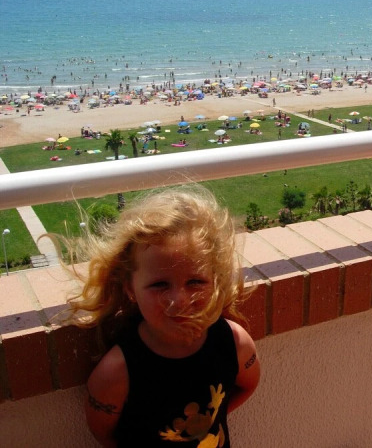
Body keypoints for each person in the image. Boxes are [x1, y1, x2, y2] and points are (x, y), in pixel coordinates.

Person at [61, 187, 260, 447]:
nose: (179, 300)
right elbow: (103, 432)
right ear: (130, 289)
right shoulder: (117, 371)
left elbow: (248, 384)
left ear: (216, 280)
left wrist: (202, 427)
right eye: (159, 285)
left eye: (195, 281)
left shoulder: (234, 343)